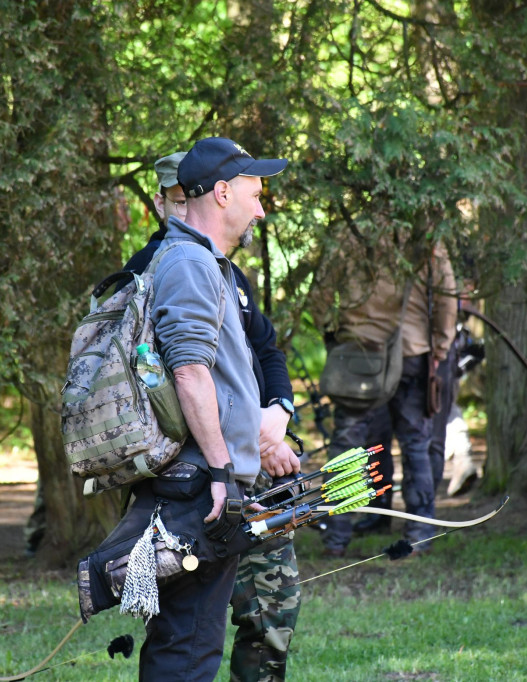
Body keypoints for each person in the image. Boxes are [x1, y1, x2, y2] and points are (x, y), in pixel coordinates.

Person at [125, 149, 301, 682]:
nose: (261, 210)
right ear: (222, 194)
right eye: (255, 194)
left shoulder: (207, 263)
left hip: (211, 480)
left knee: (194, 638)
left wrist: (269, 423)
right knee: (189, 646)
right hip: (202, 485)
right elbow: (189, 372)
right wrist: (224, 473)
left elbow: (251, 360)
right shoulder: (188, 263)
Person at [319, 240, 458, 557]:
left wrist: (337, 335)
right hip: (412, 354)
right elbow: (448, 301)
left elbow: (321, 296)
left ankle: (335, 537)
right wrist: (439, 349)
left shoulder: (349, 234)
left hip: (358, 355)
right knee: (416, 446)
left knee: (345, 447)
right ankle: (419, 533)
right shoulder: (426, 239)